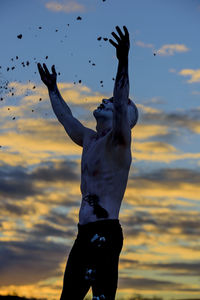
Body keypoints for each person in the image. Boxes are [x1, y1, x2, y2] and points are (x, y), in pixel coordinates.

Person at [37, 25, 138, 300]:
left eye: (114, 102)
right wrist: (53, 89)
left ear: (124, 118)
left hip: (105, 233)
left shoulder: (119, 143)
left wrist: (123, 60)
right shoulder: (90, 139)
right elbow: (66, 118)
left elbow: (119, 101)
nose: (105, 100)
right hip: (84, 234)